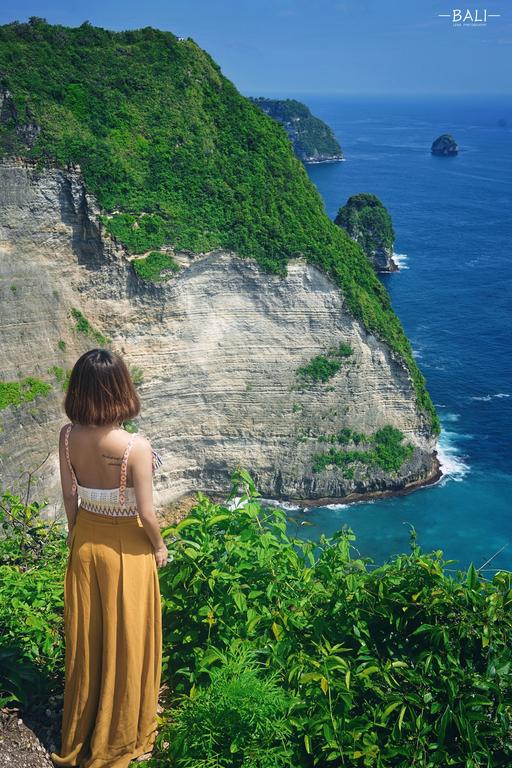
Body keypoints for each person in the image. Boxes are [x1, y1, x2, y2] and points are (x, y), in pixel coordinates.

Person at [50, 348, 169, 768]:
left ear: (78, 389)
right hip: (128, 550)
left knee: (89, 642)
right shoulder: (135, 447)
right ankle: (120, 734)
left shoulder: (68, 436)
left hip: (86, 540)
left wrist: (77, 534)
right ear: (122, 389)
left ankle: (83, 728)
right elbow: (147, 514)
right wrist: (159, 546)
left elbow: (70, 495)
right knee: (128, 641)